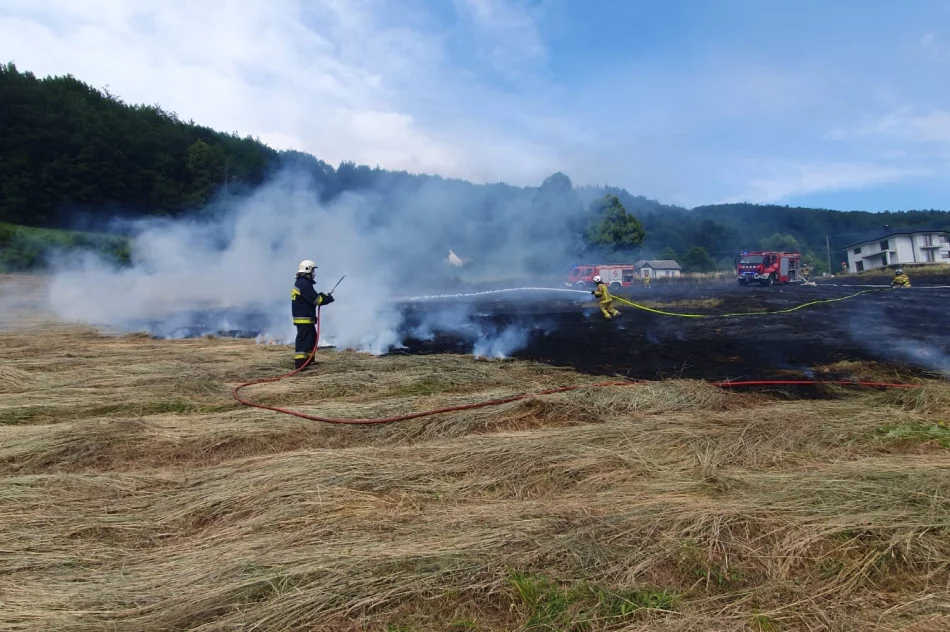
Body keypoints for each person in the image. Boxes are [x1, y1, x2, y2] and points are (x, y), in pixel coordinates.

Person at [291, 259, 335, 369]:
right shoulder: (303, 283)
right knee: (304, 340)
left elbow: (311, 297)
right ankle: (301, 365)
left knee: (311, 339)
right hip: (303, 318)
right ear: (308, 270)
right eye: (313, 270)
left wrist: (322, 296)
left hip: (306, 317)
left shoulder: (303, 283)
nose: (314, 273)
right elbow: (316, 300)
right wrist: (327, 299)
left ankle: (309, 361)